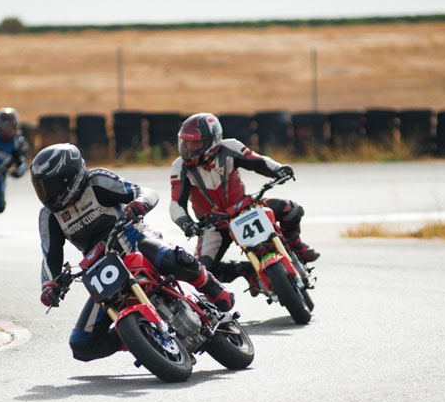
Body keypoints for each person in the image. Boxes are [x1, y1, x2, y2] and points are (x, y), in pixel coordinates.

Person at [32, 143, 235, 363]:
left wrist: (139, 204)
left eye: (52, 185)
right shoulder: (48, 216)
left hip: (136, 242)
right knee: (81, 344)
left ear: (71, 177)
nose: (47, 194)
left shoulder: (97, 181)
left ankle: (212, 287)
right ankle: (145, 338)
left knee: (171, 258)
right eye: (41, 187)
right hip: (103, 270)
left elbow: (143, 192)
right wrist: (49, 286)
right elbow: (50, 256)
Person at [169, 112, 320, 286]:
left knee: (291, 210)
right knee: (200, 271)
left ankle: (295, 245)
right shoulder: (179, 166)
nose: (189, 147)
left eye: (196, 143)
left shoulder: (230, 147)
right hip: (213, 223)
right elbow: (176, 203)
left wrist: (278, 169)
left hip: (246, 208)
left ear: (212, 140)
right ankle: (245, 271)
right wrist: (185, 222)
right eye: (186, 142)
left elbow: (258, 161)